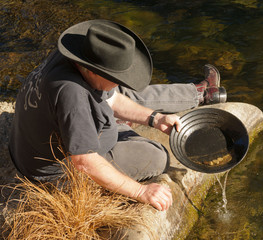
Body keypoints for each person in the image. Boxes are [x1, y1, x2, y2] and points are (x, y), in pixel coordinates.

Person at [9, 19, 227, 211]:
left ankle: (199, 93)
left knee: (122, 92)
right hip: (56, 173)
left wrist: (156, 118)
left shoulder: (74, 54)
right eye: (115, 76)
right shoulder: (72, 95)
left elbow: (111, 97)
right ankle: (123, 123)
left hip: (30, 144)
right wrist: (141, 192)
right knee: (157, 156)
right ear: (92, 70)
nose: (120, 82)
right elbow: (84, 162)